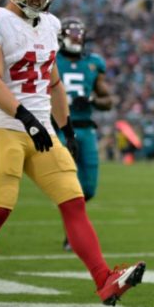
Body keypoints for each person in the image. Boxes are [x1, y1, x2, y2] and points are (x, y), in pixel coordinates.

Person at [0, 0, 144, 307]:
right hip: (6, 128)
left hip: (42, 130)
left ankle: (104, 280)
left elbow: (53, 84)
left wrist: (66, 128)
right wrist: (28, 118)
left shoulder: (49, 24)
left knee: (74, 202)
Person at [55, 16, 114, 251]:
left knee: (88, 188)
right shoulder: (51, 60)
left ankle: (73, 227)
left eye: (79, 34)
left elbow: (108, 100)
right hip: (58, 128)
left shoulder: (93, 63)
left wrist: (90, 99)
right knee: (67, 184)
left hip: (87, 129)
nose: (76, 38)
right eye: (72, 34)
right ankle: (73, 234)